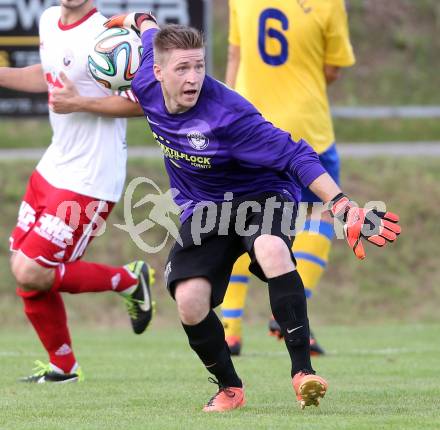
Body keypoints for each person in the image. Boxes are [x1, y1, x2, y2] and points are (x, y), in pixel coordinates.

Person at [105, 13, 400, 412]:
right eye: (182, 68)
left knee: (271, 248)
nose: (193, 77)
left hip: (263, 194)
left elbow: (296, 153)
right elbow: (148, 28)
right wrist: (131, 18)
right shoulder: (143, 79)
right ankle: (230, 388)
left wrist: (341, 204)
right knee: (190, 301)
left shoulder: (228, 113)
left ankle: (302, 373)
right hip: (205, 207)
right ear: (156, 72)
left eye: (199, 66)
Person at [0, 0, 154, 384]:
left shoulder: (109, 34)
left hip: (92, 177)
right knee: (24, 269)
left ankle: (129, 280)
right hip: (54, 165)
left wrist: (79, 103)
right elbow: (49, 75)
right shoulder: (49, 20)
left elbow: (142, 103)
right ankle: (63, 368)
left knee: (32, 269)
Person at [221, 0, 356, 356]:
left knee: (240, 219)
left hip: (250, 127)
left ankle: (229, 328)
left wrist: (223, 117)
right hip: (307, 127)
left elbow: (235, 57)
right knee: (321, 214)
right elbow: (332, 70)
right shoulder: (328, 4)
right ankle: (290, 316)